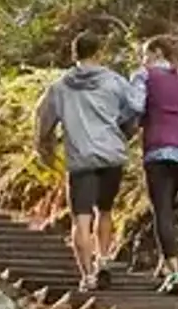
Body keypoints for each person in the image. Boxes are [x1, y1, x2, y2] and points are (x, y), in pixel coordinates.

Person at [34, 23, 144, 291]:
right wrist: (125, 132)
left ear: (74, 54)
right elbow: (134, 110)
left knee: (81, 219)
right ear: (99, 53)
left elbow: (42, 117)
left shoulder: (60, 87)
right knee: (104, 211)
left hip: (80, 159)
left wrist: (43, 145)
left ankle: (87, 276)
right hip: (111, 156)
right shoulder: (115, 81)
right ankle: (103, 260)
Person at [135, 35, 178, 295]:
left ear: (157, 52)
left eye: (145, 53)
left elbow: (136, 106)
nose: (143, 60)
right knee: (168, 208)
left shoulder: (146, 76)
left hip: (160, 150)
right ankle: (164, 267)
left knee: (161, 210)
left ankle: (175, 273)